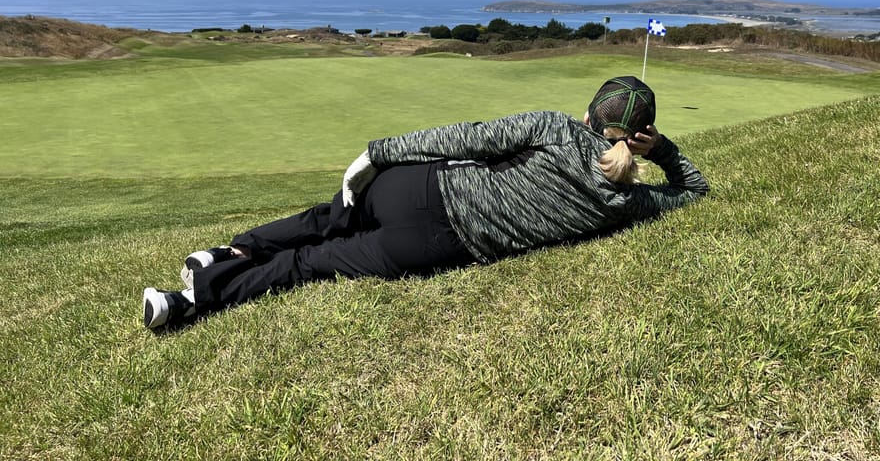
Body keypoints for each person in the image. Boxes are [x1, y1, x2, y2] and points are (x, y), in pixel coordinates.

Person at [142, 76, 709, 331]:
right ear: (639, 136)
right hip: (434, 245)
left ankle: (226, 253)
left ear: (589, 115)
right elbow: (695, 191)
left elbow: (464, 137)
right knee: (312, 263)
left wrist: (378, 153)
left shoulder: (555, 126)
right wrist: (663, 151)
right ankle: (190, 300)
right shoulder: (627, 203)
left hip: (420, 188)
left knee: (327, 217)